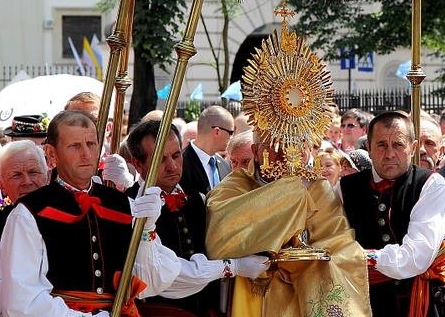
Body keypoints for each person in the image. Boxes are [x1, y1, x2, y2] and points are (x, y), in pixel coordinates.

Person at [0, 110, 182, 316]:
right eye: (75, 146)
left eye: (91, 144)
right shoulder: (29, 213)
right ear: (51, 153)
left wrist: (147, 231)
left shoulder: (122, 204)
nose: (86, 154)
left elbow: (153, 283)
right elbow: (21, 301)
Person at [205, 132, 371, 316]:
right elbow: (219, 237)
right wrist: (287, 194)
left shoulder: (315, 186)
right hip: (249, 291)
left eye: (293, 144)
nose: (285, 153)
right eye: (275, 145)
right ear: (256, 151)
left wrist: (300, 261)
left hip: (303, 291)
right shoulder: (236, 185)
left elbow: (338, 242)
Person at [126, 120, 268, 315]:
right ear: (138, 164)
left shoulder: (198, 199)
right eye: (161, 159)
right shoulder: (130, 205)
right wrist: (233, 267)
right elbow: (168, 277)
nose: (172, 166)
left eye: (176, 155)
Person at [340, 111, 445, 316]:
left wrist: (363, 258)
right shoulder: (345, 188)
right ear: (368, 148)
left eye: (398, 144)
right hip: (365, 305)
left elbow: (417, 256)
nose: (389, 153)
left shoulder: (431, 184)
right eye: (381, 145)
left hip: (422, 303)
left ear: (412, 148)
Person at [0, 140, 50, 316]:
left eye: (33, 172)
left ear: (47, 176)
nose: (27, 181)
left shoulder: (70, 215)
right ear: (1, 185)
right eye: (16, 175)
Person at [179, 105, 233, 195]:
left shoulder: (225, 166)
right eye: (230, 133)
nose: (231, 138)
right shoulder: (180, 164)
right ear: (217, 132)